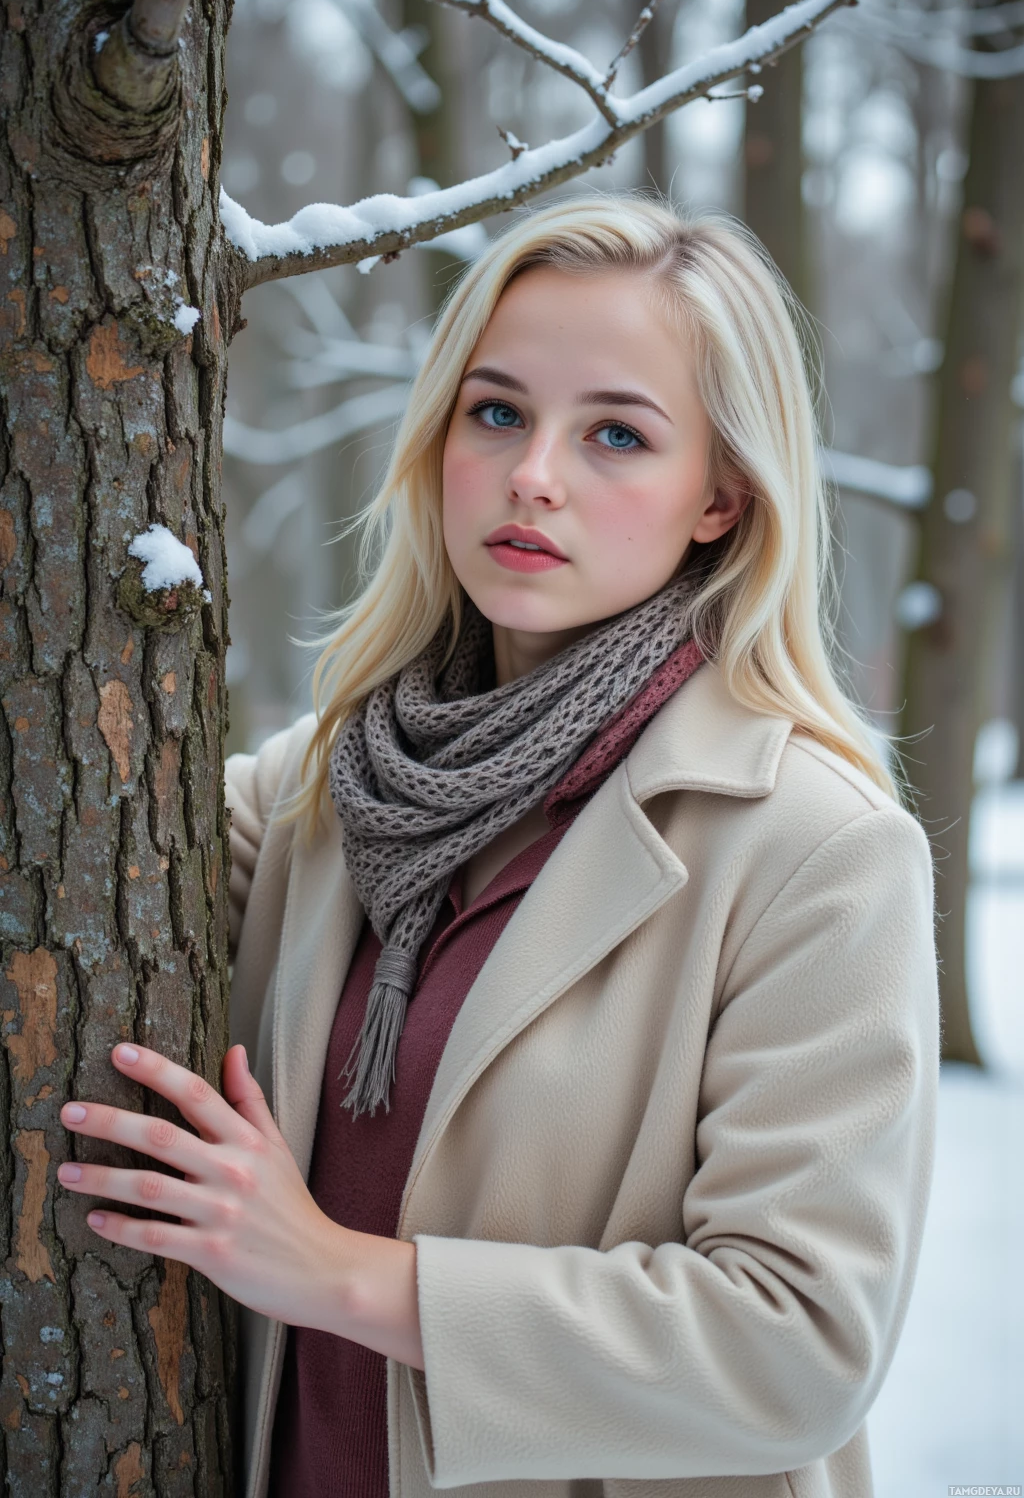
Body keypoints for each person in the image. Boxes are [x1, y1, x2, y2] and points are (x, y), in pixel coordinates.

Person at [57, 194, 940, 1498]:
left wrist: (340, 1272)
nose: (536, 473)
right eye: (499, 412)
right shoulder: (336, 788)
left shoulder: (818, 851)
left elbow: (797, 1343)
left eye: (618, 435)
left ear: (722, 500)